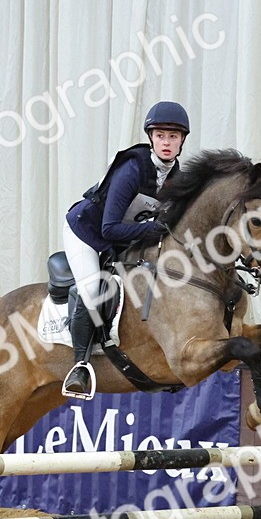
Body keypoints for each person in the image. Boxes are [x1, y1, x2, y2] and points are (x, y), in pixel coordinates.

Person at [61, 100, 190, 398]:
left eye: (173, 136)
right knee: (93, 289)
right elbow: (109, 228)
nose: (167, 142)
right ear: (151, 138)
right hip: (87, 232)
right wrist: (152, 229)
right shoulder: (133, 169)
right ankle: (79, 366)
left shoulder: (175, 177)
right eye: (160, 135)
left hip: (122, 239)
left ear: (182, 140)